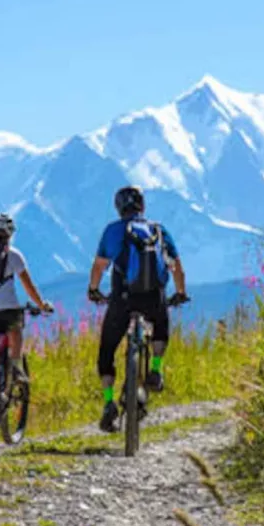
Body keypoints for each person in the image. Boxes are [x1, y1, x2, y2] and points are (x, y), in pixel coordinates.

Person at [86, 185, 187, 432]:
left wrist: (94, 289)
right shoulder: (158, 230)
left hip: (122, 298)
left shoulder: (113, 231)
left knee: (107, 348)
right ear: (142, 206)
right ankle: (155, 370)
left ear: (118, 207)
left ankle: (109, 402)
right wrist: (181, 293)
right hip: (154, 297)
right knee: (161, 325)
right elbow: (176, 267)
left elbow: (99, 266)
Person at [0, 213, 53, 427]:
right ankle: (16, 366)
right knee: (16, 328)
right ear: (10, 235)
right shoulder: (14, 255)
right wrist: (42, 305)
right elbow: (28, 286)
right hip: (7, 311)